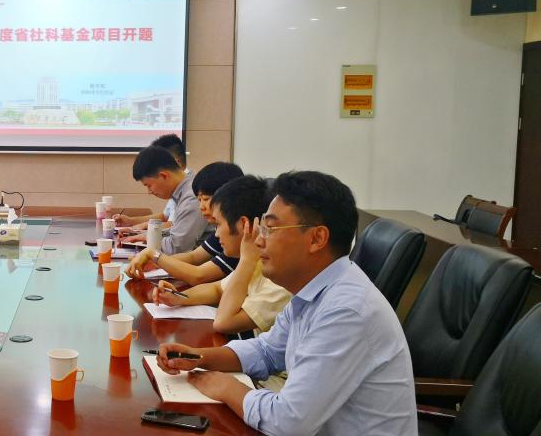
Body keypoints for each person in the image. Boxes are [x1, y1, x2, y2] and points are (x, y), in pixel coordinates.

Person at [156, 171, 416, 435]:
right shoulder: (313, 290)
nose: (258, 240)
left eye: (270, 229)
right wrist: (198, 357)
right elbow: (268, 351)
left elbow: (289, 421)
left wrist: (226, 387)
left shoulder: (346, 311)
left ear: (316, 239)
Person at [145, 176, 292, 336]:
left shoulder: (279, 278)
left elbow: (223, 322)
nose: (216, 234)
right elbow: (216, 289)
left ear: (244, 224)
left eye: (218, 224)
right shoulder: (257, 260)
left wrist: (246, 261)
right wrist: (178, 298)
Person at [126, 162, 244, 284]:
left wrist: (154, 255)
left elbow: (199, 275)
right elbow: (193, 257)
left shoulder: (237, 235)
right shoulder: (221, 229)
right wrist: (154, 262)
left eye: (205, 199)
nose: (201, 207)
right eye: (199, 200)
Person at [126, 146, 205, 254]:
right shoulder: (184, 190)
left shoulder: (192, 196)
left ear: (163, 176)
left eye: (148, 185)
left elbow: (177, 247)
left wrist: (149, 240)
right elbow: (177, 232)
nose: (149, 192)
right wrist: (144, 235)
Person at [114, 134, 188, 228]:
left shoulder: (190, 191)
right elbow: (165, 216)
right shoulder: (178, 186)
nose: (149, 192)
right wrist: (131, 221)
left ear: (175, 162)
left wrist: (142, 228)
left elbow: (175, 227)